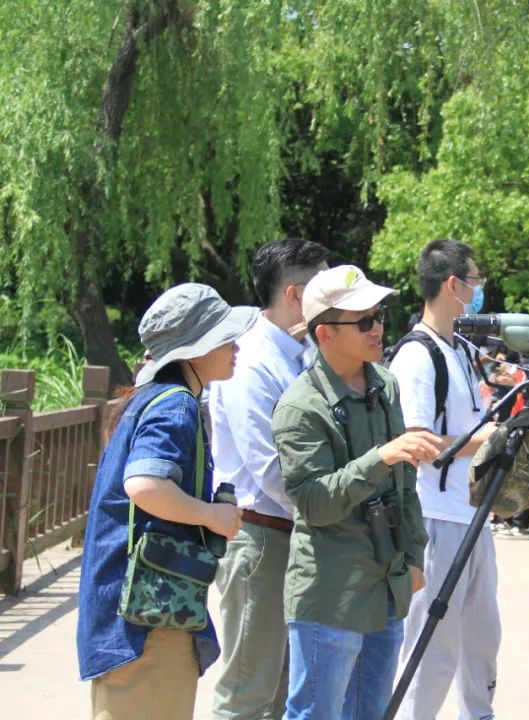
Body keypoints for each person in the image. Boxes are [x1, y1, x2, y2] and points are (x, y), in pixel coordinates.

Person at [271, 264, 441, 720]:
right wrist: (380, 457)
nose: (378, 328)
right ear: (324, 333)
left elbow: (406, 488)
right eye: (363, 321)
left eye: (380, 315)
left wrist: (413, 557)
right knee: (315, 715)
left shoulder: (385, 384)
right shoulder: (299, 407)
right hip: (331, 593)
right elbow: (313, 502)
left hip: (386, 583)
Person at [77, 283, 253, 720]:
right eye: (224, 336)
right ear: (193, 350)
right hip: (149, 623)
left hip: (132, 615)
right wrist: (212, 515)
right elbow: (145, 485)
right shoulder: (177, 406)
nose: (235, 345)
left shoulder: (151, 398)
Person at [209, 238, 329, 720]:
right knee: (247, 692)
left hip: (291, 531)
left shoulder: (299, 351)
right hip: (259, 536)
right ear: (297, 295)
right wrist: (332, 508)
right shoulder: (251, 360)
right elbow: (271, 468)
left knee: (280, 692)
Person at [389, 239, 500, 720]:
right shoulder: (418, 356)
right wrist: (488, 439)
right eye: (475, 282)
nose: (479, 291)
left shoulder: (461, 350)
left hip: (473, 517)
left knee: (482, 642)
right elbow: (418, 444)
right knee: (431, 650)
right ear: (452, 285)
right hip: (435, 519)